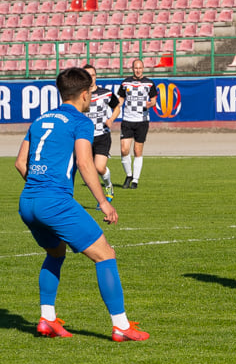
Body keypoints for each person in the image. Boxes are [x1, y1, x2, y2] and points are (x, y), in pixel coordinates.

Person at [15, 67, 149, 342]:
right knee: (105, 255)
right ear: (86, 94)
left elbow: (20, 163)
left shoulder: (40, 120)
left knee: (55, 254)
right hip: (55, 202)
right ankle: (121, 325)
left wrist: (39, 187)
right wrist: (103, 202)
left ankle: (47, 319)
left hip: (28, 200)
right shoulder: (81, 122)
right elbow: (86, 163)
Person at [116, 59, 157, 189]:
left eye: (140, 68)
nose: (138, 70)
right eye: (135, 68)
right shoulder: (125, 83)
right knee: (124, 149)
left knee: (137, 150)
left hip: (142, 121)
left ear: (143, 68)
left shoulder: (149, 83)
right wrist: (115, 107)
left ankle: (135, 180)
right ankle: (128, 175)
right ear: (132, 68)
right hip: (127, 120)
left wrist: (150, 104)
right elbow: (120, 100)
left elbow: (154, 100)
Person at [83, 64, 121, 204]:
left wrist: (111, 119)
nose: (91, 78)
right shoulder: (80, 96)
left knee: (99, 167)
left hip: (102, 135)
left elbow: (117, 107)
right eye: (87, 75)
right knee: (86, 171)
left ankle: (109, 187)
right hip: (85, 138)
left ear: (96, 76)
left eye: (93, 75)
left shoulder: (106, 93)